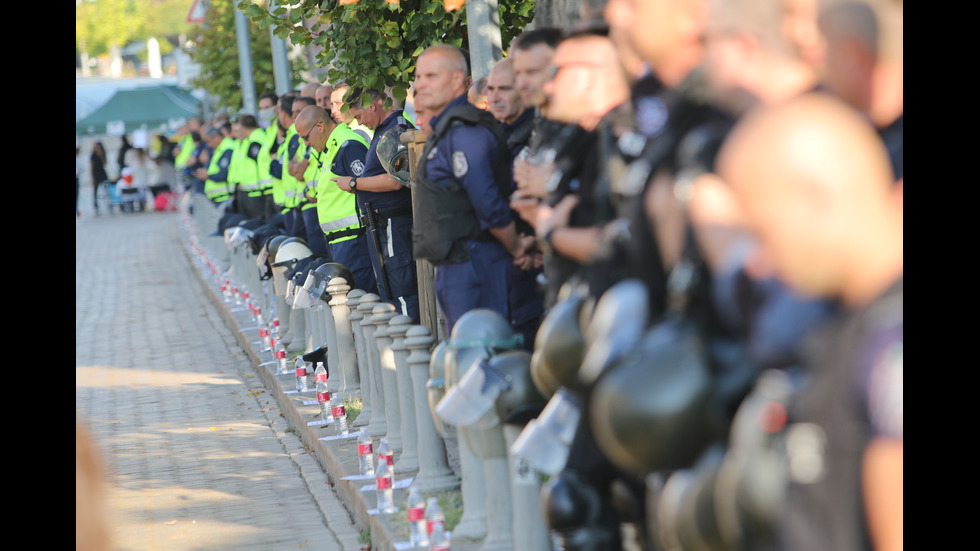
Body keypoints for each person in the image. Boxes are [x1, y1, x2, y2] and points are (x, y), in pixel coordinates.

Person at [718, 92, 903, 551]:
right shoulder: (850, 325)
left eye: (763, 231)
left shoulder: (891, 343)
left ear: (818, 195)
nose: (757, 263)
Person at [412, 43, 535, 334]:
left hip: (476, 262)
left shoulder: (464, 129)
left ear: (457, 79)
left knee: (482, 352)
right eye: (418, 77)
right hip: (459, 263)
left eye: (431, 76)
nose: (421, 84)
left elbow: (486, 200)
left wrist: (516, 247)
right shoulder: (446, 127)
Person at [337, 87, 420, 322]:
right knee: (391, 288)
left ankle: (412, 347)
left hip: (393, 221)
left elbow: (396, 180)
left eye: (359, 116)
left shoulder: (395, 129)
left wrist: (354, 183)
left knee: (401, 288)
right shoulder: (384, 130)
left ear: (372, 106)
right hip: (383, 223)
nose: (360, 123)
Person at [293, 105, 377, 294]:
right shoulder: (332, 147)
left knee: (360, 302)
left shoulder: (347, 145)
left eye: (306, 137)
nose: (306, 143)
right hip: (342, 242)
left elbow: (368, 186)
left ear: (320, 127)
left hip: (355, 242)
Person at [89, 141, 110, 216]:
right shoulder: (93, 156)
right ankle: (95, 204)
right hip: (96, 174)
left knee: (105, 188)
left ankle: (107, 202)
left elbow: (105, 163)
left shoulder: (102, 154)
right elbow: (91, 167)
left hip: (102, 173)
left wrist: (101, 155)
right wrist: (91, 177)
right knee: (95, 190)